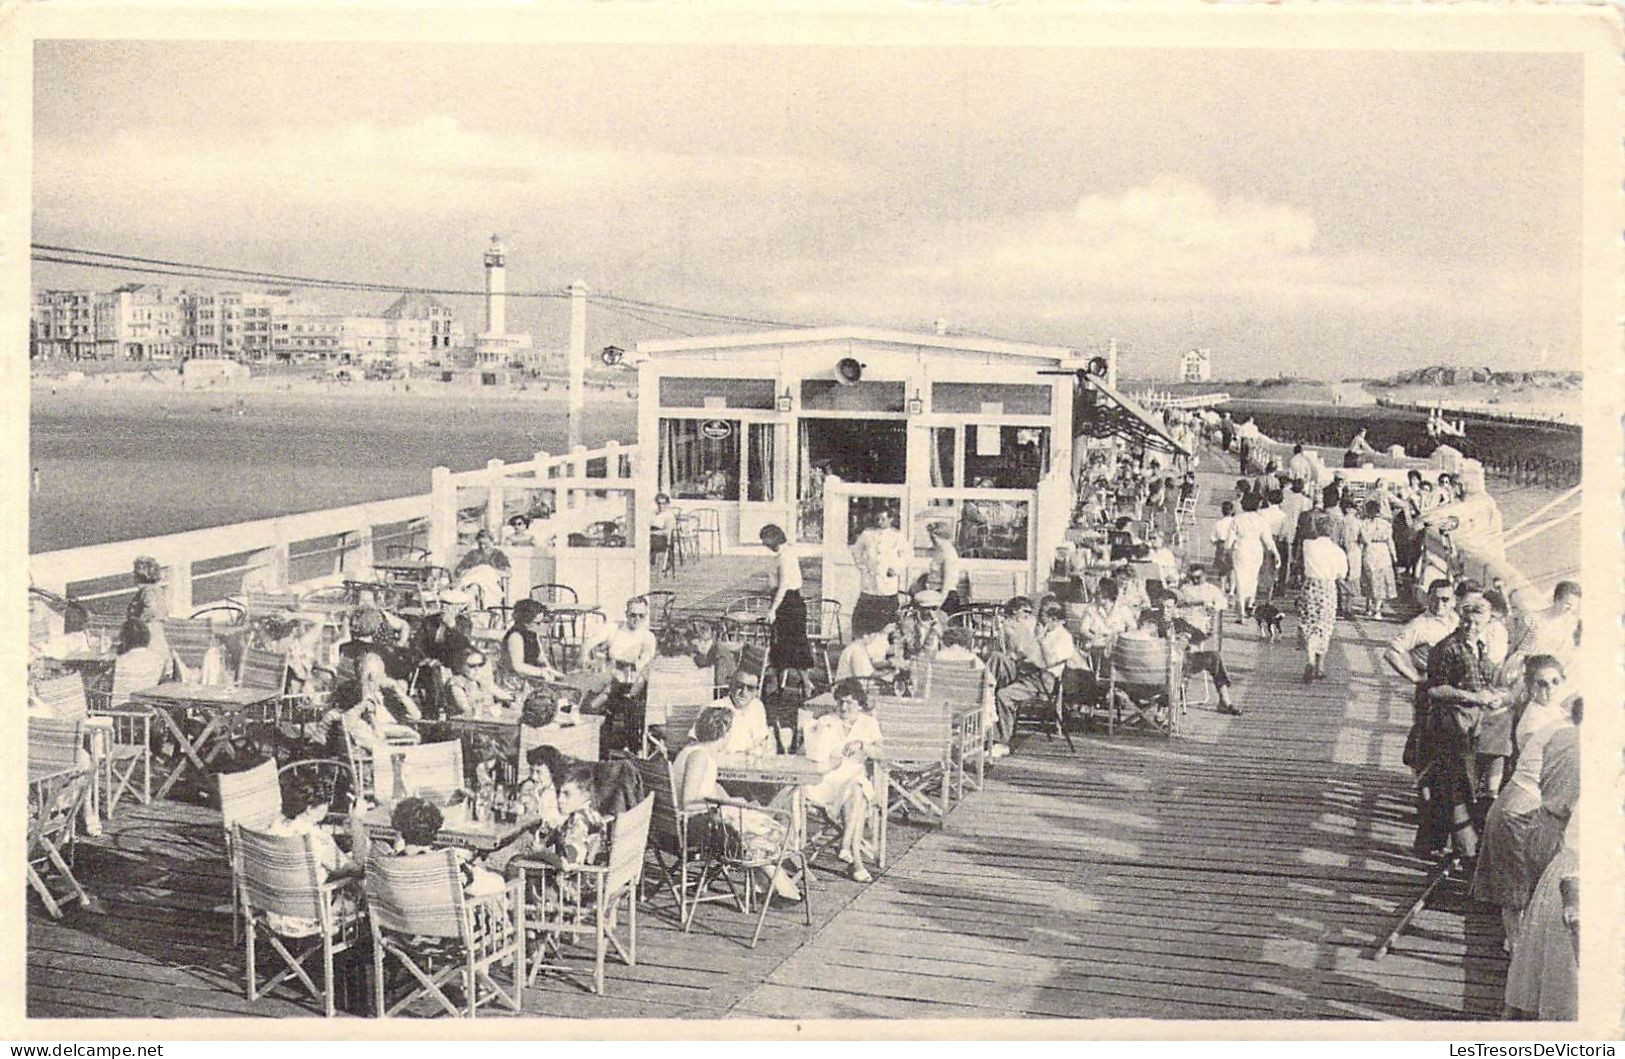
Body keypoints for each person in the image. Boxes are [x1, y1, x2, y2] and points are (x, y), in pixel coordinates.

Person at [1471, 657, 1572, 951]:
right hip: (1517, 810)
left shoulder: (1555, 712)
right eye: (1541, 684)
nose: (1549, 689)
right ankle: (1516, 952)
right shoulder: (1535, 720)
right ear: (1529, 686)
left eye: (1555, 682)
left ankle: (1521, 949)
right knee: (1514, 888)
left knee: (1526, 881)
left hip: (1531, 806)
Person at [673, 707, 801, 901]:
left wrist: (729, 801)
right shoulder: (699, 757)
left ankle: (765, 884)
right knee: (755, 823)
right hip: (693, 829)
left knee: (751, 815)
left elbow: (708, 786)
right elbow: (688, 802)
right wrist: (723, 806)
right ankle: (780, 884)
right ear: (725, 733)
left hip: (685, 824)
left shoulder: (693, 751)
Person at [1417, 592, 1508, 859]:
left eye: (1477, 623)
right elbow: (1435, 690)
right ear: (1460, 618)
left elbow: (1480, 681)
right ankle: (1463, 849)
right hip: (1448, 725)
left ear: (1486, 623)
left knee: (1448, 786)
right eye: (1467, 622)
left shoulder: (1477, 647)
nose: (1471, 627)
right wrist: (1474, 697)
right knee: (1455, 786)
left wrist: (1493, 695)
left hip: (1470, 725)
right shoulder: (1447, 648)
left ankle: (1433, 844)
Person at [802, 678, 883, 882]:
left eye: (849, 702)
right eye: (840, 702)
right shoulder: (827, 721)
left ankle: (847, 846)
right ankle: (852, 856)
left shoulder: (868, 723)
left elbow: (881, 753)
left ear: (860, 704)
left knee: (857, 787)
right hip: (827, 779)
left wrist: (862, 745)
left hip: (853, 775)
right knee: (858, 795)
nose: (843, 707)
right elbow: (807, 751)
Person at [262, 773, 357, 937]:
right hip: (308, 919)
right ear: (310, 809)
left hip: (275, 913)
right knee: (361, 888)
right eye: (326, 804)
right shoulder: (318, 839)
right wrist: (357, 825)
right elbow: (351, 869)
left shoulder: (274, 826)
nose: (328, 808)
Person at [993, 601, 1079, 753]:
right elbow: (1027, 653)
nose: (1039, 622)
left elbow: (1049, 661)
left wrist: (1040, 641)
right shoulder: (1046, 632)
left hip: (1043, 680)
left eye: (1043, 619)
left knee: (1002, 695)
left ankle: (1002, 742)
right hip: (1029, 672)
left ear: (1054, 619)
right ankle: (983, 694)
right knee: (997, 658)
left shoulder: (1064, 638)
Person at [580, 597, 659, 752]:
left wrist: (620, 662)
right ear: (626, 613)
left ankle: (629, 747)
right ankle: (595, 745)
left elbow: (644, 661)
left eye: (641, 616)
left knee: (615, 700)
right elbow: (589, 643)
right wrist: (585, 657)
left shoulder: (647, 637)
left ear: (646, 616)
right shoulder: (614, 628)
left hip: (632, 685)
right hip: (609, 679)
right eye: (633, 615)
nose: (636, 619)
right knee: (590, 701)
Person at [385, 797, 506, 897]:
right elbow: (497, 885)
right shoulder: (450, 867)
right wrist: (476, 867)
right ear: (435, 830)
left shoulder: (387, 866)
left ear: (400, 830)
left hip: (403, 925)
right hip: (445, 925)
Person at [1176, 565, 1241, 715]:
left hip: (1201, 634)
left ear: (1204, 577)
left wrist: (1214, 607)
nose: (1194, 580)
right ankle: (1177, 695)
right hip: (1184, 641)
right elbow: (1176, 605)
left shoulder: (1211, 589)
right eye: (1192, 577)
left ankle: (1225, 700)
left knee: (1215, 657)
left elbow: (1223, 602)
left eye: (1197, 577)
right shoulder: (1184, 590)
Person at [760, 524, 816, 695]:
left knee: (795, 645)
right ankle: (778, 684)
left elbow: (784, 585)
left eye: (765, 540)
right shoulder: (783, 554)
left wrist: (773, 610)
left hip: (789, 604)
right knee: (779, 645)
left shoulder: (786, 556)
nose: (764, 544)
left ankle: (807, 683)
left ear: (774, 538)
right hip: (784, 602)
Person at [1297, 513, 1349, 684]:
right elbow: (1342, 574)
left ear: (1317, 529)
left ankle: (1310, 660)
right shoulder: (1338, 552)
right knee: (1324, 626)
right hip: (1328, 588)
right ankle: (1320, 666)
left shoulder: (1308, 545)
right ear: (1333, 531)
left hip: (1310, 586)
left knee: (1309, 624)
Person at [850, 509, 909, 637]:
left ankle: (886, 648)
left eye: (883, 519)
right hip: (869, 585)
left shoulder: (897, 536)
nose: (879, 522)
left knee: (888, 621)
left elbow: (907, 556)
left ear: (891, 519)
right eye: (877, 519)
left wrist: (896, 568)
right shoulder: (867, 534)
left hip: (887, 585)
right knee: (864, 619)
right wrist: (863, 567)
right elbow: (856, 551)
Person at [700, 671, 776, 758]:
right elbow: (700, 750)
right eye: (740, 686)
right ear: (731, 686)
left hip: (751, 766)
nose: (744, 692)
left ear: (756, 692)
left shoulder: (757, 707)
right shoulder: (715, 708)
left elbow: (764, 740)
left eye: (750, 688)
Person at [1229, 494, 1277, 620]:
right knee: (1252, 578)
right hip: (1256, 550)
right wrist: (1276, 554)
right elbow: (1268, 540)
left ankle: (1241, 611)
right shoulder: (1261, 520)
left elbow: (1229, 541)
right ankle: (1249, 603)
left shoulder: (1237, 519)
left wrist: (1226, 549)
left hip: (1241, 549)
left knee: (1240, 579)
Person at [500, 598, 562, 690]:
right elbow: (518, 666)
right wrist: (541, 672)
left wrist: (551, 671)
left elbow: (541, 658)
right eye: (537, 623)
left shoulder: (532, 633)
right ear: (526, 622)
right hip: (514, 681)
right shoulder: (515, 636)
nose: (541, 625)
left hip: (530, 676)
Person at [1356, 499, 1398, 620]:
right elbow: (1390, 541)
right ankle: (1377, 610)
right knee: (1381, 582)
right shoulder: (1385, 524)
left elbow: (1361, 540)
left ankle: (1368, 607)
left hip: (1369, 550)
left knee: (1369, 580)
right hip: (1383, 551)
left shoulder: (1363, 523)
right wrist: (1394, 555)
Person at [444, 647, 513, 719]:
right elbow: (466, 709)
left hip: (481, 721)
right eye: (472, 666)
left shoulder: (479, 682)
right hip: (462, 723)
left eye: (480, 665)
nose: (477, 669)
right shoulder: (456, 683)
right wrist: (490, 709)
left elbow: (490, 701)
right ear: (460, 666)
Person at [453, 529, 510, 610]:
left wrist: (489, 570)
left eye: (485, 544)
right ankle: (474, 615)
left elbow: (508, 573)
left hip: (490, 584)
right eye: (480, 544)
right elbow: (458, 571)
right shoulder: (472, 554)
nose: (483, 547)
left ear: (491, 541)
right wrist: (474, 570)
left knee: (483, 575)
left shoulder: (498, 555)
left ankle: (483, 614)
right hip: (473, 583)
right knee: (473, 589)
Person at [126, 555, 169, 658]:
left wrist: (138, 624)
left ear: (140, 575)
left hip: (148, 636)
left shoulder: (148, 591)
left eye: (135, 573)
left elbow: (152, 609)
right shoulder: (158, 590)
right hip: (157, 634)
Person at [112, 618, 170, 694]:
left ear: (124, 639)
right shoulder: (160, 660)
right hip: (148, 704)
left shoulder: (118, 661)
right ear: (148, 637)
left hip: (120, 704)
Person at [919, 521, 965, 615]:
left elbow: (948, 580)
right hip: (935, 593)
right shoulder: (939, 550)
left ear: (942, 536)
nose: (932, 540)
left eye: (934, 538)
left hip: (945, 597)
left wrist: (940, 603)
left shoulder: (948, 553)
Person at [834, 626, 900, 685]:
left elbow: (869, 674)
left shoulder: (860, 649)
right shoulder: (856, 650)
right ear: (865, 635)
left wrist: (889, 673)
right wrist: (887, 678)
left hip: (853, 689)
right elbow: (861, 680)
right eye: (873, 636)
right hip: (845, 692)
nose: (874, 639)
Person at [1210, 501, 1237, 599]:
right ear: (1232, 510)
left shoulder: (1218, 523)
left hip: (1221, 545)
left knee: (1222, 569)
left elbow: (1213, 538)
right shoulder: (1235, 522)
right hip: (1233, 546)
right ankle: (1232, 590)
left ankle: (1222, 588)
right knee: (1233, 569)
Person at [650, 493, 677, 576]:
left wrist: (653, 533)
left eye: (663, 503)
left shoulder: (669, 515)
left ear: (667, 504)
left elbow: (667, 531)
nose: (661, 505)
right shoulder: (654, 513)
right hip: (652, 535)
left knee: (647, 542)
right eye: (659, 503)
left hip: (662, 539)